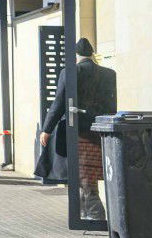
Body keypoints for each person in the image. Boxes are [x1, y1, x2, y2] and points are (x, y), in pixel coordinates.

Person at [39, 38, 116, 220]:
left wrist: (46, 129)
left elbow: (58, 103)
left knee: (83, 170)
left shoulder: (70, 72)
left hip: (77, 129)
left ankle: (95, 214)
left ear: (76, 56)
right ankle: (85, 211)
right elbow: (112, 104)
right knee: (87, 170)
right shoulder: (109, 74)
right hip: (100, 128)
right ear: (91, 54)